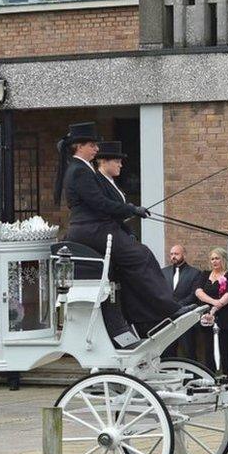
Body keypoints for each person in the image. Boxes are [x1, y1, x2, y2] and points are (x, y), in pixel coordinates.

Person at [58, 126, 193, 345]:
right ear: (79, 146)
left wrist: (129, 213)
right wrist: (131, 209)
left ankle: (136, 320)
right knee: (141, 256)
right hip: (92, 229)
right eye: (92, 145)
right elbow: (99, 203)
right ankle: (169, 309)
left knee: (130, 265)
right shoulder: (80, 170)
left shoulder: (80, 169)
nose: (96, 148)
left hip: (94, 227)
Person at [194, 247, 228, 376]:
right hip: (207, 317)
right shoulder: (204, 274)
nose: (214, 261)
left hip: (225, 318)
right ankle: (210, 376)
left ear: (223, 260)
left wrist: (214, 309)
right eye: (212, 258)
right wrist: (214, 303)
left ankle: (225, 376)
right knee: (209, 348)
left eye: (217, 258)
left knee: (225, 348)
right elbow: (198, 292)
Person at [161, 244, 202, 360]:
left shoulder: (195, 273)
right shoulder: (163, 272)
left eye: (176, 254)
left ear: (184, 255)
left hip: (186, 318)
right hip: (167, 319)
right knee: (167, 351)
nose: (173, 256)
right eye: (172, 254)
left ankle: (192, 377)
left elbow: (194, 295)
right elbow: (160, 292)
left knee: (188, 350)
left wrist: (177, 307)